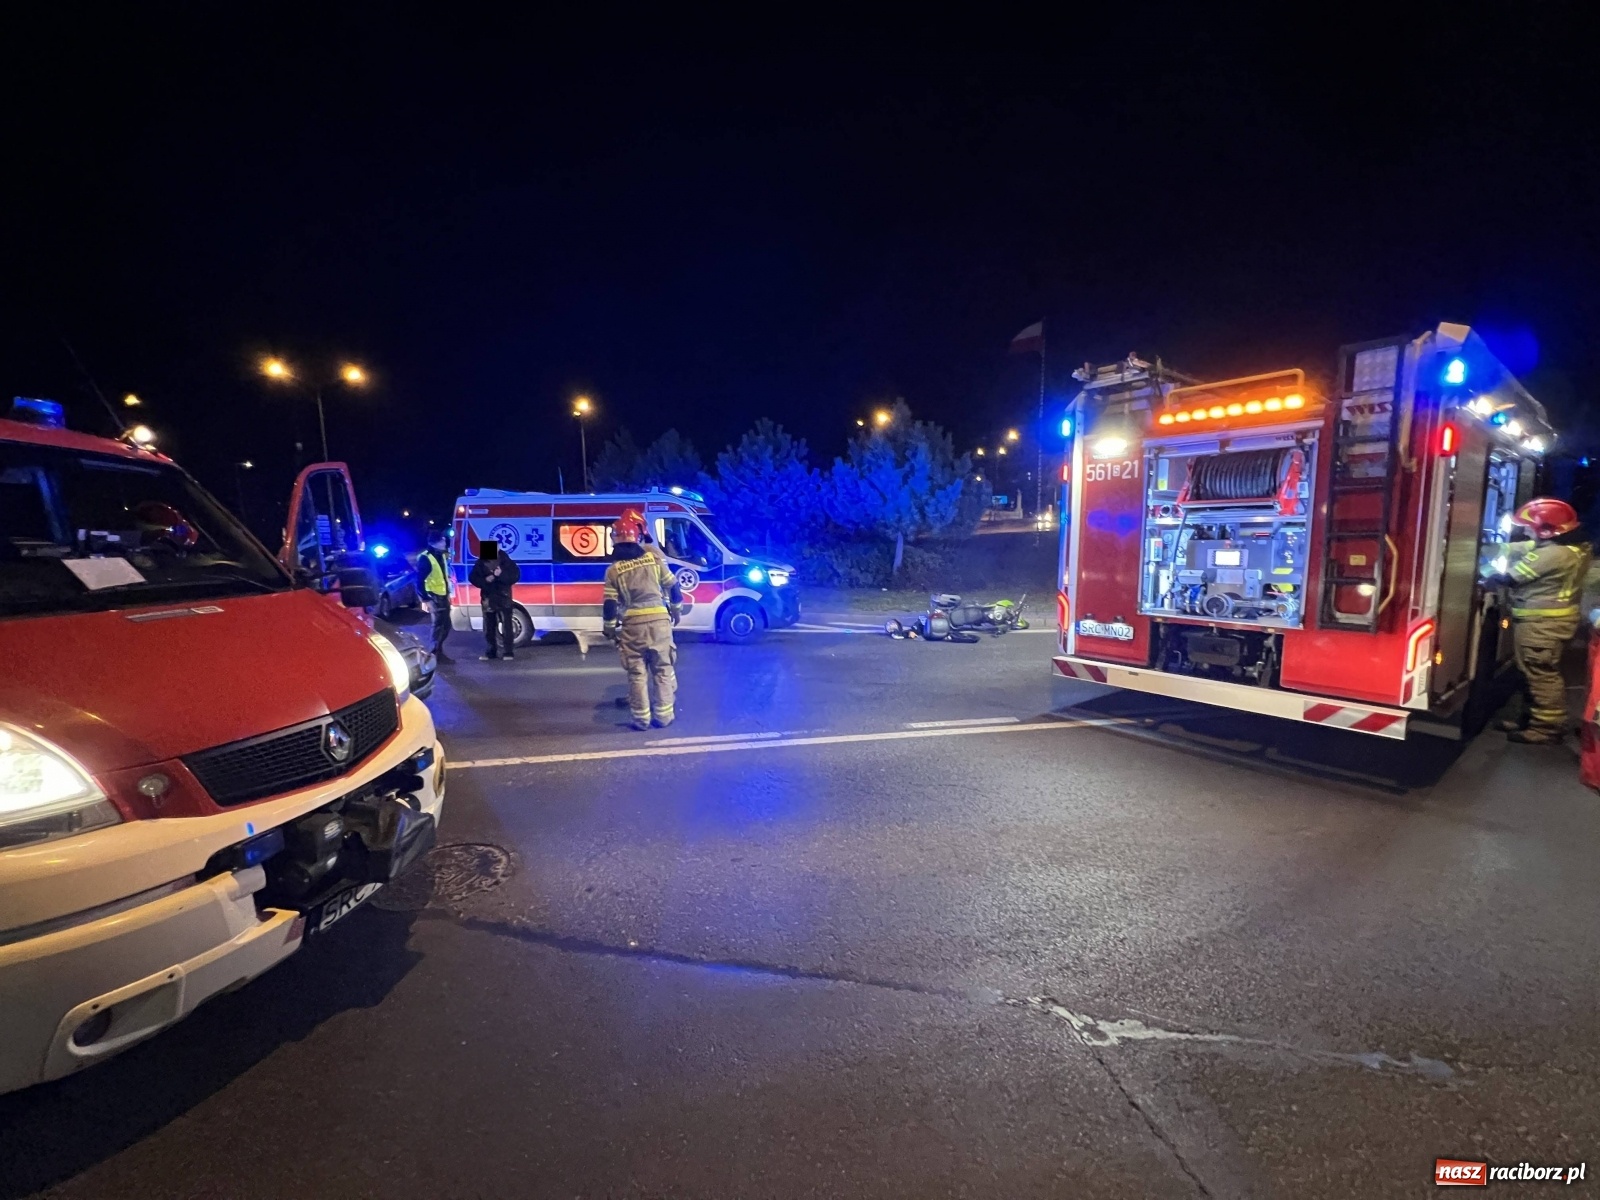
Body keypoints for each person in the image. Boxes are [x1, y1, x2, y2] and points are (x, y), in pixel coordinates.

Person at [1485, 497, 1592, 744]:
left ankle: (1546, 728)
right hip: (1548, 623)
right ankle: (1531, 720)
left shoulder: (1553, 554)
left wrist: (1485, 574)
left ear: (1547, 530)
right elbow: (1529, 547)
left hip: (1542, 625)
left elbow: (1511, 578)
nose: (1525, 532)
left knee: (1541, 674)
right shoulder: (1572, 546)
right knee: (1532, 672)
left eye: (1529, 528)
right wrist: (1493, 547)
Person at [602, 509, 683, 730]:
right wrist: (676, 610)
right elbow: (673, 586)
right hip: (659, 623)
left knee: (637, 673)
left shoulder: (613, 570)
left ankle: (641, 720)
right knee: (662, 669)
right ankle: (664, 716)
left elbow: (610, 605)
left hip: (633, 627)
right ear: (638, 535)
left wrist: (609, 629)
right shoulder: (653, 559)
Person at [469, 540, 521, 661]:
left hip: (503, 597)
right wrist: (487, 580)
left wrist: (500, 575)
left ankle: (508, 652)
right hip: (488, 598)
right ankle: (491, 651)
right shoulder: (481, 563)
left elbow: (515, 576)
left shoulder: (506, 561)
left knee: (507, 626)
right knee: (489, 627)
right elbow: (473, 578)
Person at [416, 529, 454, 663]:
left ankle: (437, 652)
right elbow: (419, 581)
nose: (445, 541)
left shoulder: (441, 555)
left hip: (443, 596)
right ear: (436, 542)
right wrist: (425, 600)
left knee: (445, 625)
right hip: (434, 597)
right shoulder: (426, 558)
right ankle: (434, 654)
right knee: (438, 626)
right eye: (443, 539)